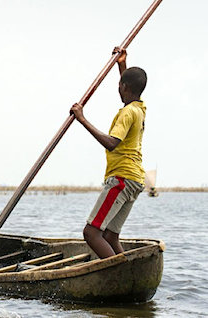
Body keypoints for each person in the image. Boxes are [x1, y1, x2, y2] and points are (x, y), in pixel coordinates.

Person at [70, 47, 147, 259]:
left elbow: (112, 143)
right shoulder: (140, 108)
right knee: (111, 236)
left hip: (122, 178)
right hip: (136, 179)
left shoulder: (127, 112)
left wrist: (82, 119)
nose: (118, 90)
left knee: (91, 233)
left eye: (119, 86)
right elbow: (129, 87)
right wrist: (122, 64)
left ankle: (118, 274)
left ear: (123, 87)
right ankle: (128, 273)